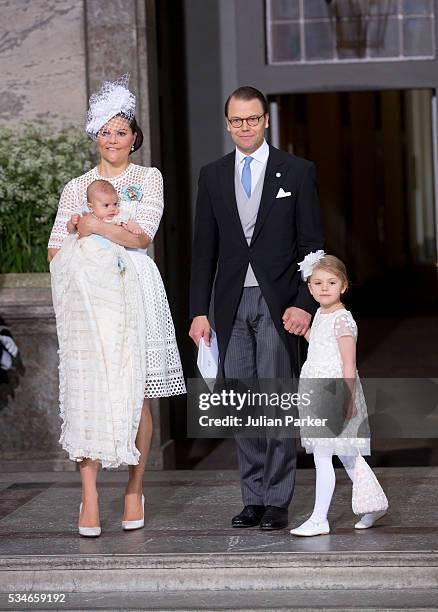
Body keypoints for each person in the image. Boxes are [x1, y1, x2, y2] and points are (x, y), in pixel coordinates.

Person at [48, 75, 186, 536]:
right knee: (88, 387)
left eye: (121, 131)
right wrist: (99, 232)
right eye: (104, 131)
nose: (112, 139)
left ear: (133, 137)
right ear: (94, 134)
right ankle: (88, 494)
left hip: (137, 286)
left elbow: (140, 235)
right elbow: (54, 249)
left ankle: (133, 486)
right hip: (88, 294)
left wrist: (91, 224)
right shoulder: (75, 186)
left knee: (135, 390)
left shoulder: (148, 178)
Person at [189, 86, 324, 530]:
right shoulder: (212, 175)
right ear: (228, 124)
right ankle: (253, 497)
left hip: (279, 302)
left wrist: (306, 304)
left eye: (251, 119)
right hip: (228, 304)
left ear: (265, 120)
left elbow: (312, 247)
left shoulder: (297, 172)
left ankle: (278, 500)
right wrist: (198, 311)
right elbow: (203, 251)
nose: (243, 127)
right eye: (236, 120)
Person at [290, 252, 388, 537]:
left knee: (323, 455)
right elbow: (322, 346)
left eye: (331, 282)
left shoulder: (343, 320)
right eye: (318, 283)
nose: (324, 288)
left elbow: (347, 362)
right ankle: (374, 504)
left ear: (343, 286)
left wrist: (347, 398)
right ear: (309, 287)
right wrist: (306, 332)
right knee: (347, 454)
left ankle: (320, 518)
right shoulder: (321, 314)